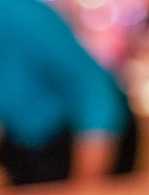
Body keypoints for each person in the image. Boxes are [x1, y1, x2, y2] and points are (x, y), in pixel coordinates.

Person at [0, 0, 137, 185]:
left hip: (76, 141)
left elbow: (93, 90)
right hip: (26, 141)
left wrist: (87, 185)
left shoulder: (20, 14)